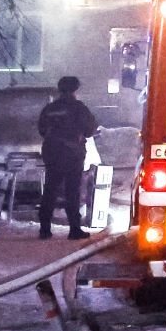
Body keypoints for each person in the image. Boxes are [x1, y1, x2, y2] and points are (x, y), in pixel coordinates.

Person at [37, 76, 98, 240]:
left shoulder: (50, 108)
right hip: (72, 154)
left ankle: (44, 229)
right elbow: (89, 129)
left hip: (52, 153)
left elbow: (42, 129)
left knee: (50, 190)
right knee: (72, 192)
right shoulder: (78, 108)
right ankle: (74, 229)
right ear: (75, 90)